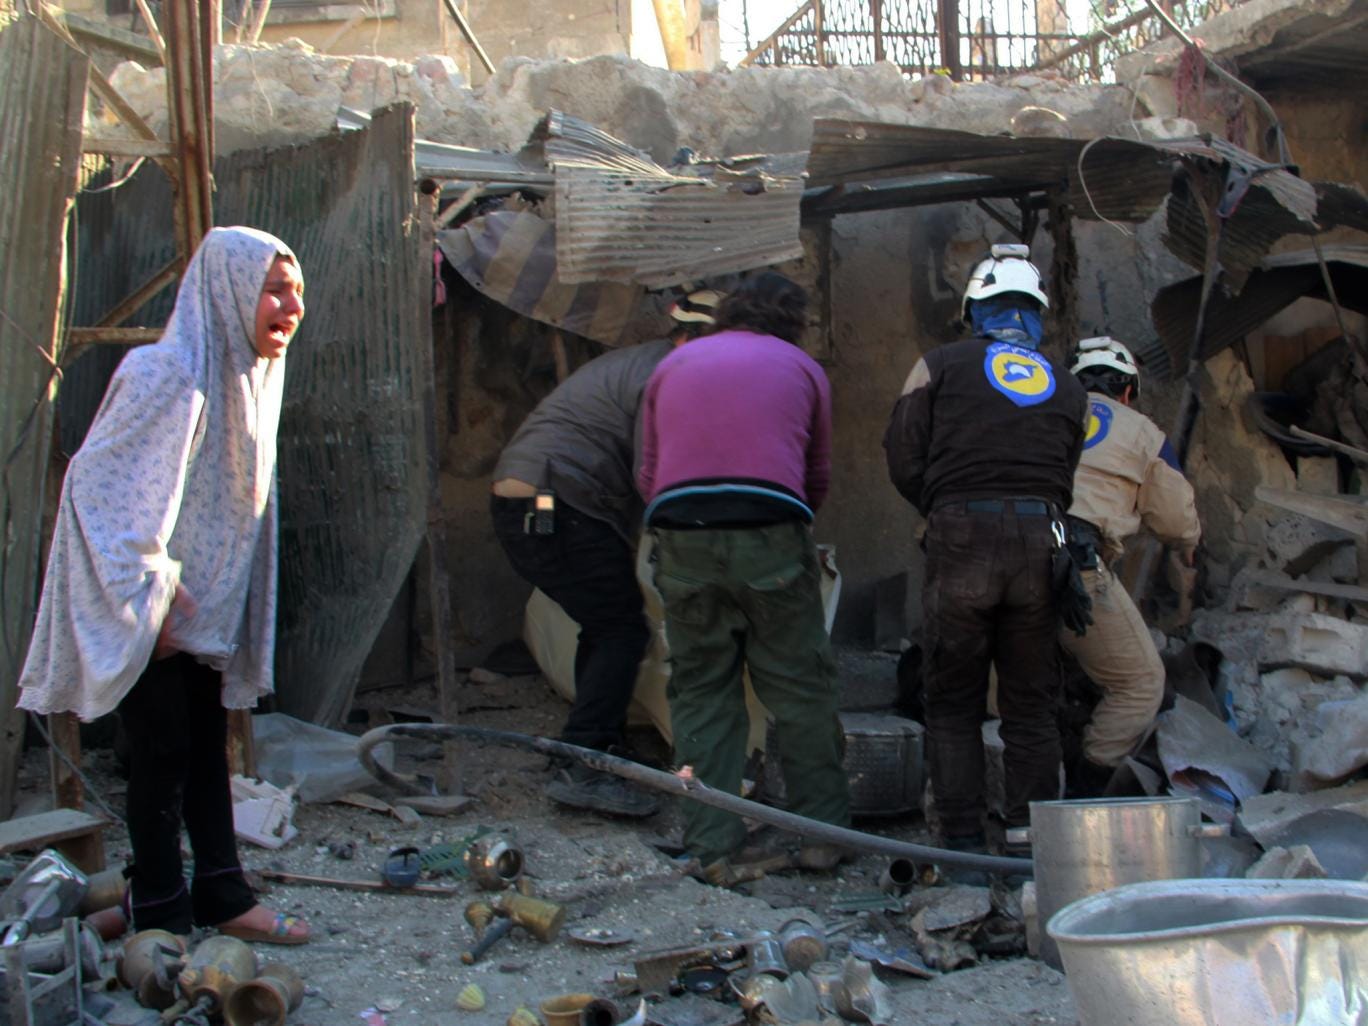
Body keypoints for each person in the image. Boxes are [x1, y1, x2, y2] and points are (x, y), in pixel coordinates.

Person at [18, 227, 310, 943]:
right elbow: (97, 484)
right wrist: (152, 586)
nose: (289, 306)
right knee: (162, 750)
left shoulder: (244, 377)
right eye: (274, 290)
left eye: (296, 292)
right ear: (231, 291)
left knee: (207, 745)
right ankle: (158, 907)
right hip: (152, 611)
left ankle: (215, 890)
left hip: (198, 612)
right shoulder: (168, 373)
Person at [637, 271, 850, 881]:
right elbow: (817, 477)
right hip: (770, 531)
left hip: (680, 533)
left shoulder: (672, 365)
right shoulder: (803, 368)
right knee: (800, 688)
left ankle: (710, 845)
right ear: (793, 321)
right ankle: (820, 839)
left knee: (702, 690)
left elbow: (649, 476)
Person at [883, 244, 1087, 857]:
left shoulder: (936, 365)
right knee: (1030, 705)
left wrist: (942, 505)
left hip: (960, 538)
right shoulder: (1070, 387)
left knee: (953, 701)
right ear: (1037, 316)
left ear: (975, 311)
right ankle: (1030, 846)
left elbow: (902, 453)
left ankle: (963, 843)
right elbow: (1064, 478)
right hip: (1040, 544)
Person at [490, 290, 722, 818]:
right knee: (620, 627)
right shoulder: (672, 373)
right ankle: (585, 759)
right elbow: (654, 472)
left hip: (541, 498)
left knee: (606, 622)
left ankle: (596, 744)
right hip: (556, 500)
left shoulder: (652, 363)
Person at [1062, 336, 1200, 795]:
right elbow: (1175, 520)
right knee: (1141, 684)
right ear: (1127, 392)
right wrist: (1188, 544)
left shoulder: (1037, 411)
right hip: (1077, 562)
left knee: (1015, 687)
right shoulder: (1143, 431)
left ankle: (1005, 811)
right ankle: (1083, 800)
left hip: (1003, 551)